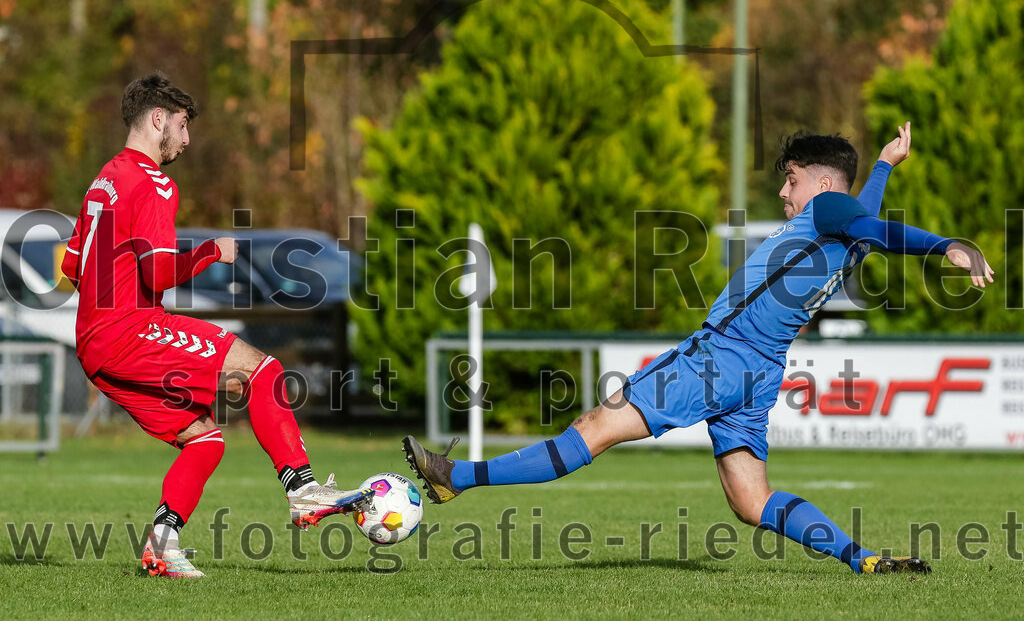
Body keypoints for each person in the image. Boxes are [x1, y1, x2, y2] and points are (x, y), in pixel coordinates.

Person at [404, 122, 994, 575]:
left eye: (790, 179)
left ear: (819, 182)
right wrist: (886, 166)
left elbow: (868, 222)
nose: (785, 193)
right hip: (759, 370)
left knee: (595, 425)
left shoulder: (824, 210)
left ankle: (458, 475)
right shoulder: (843, 230)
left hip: (722, 357)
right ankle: (863, 559)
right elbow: (868, 221)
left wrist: (946, 247)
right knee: (751, 499)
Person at [60, 72, 372, 578]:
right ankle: (303, 491)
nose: (186, 141)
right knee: (262, 368)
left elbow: (72, 267)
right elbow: (158, 271)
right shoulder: (154, 182)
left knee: (204, 439)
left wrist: (109, 307)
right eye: (182, 126)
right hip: (130, 332)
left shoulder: (103, 181)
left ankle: (162, 545)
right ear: (157, 118)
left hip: (94, 346)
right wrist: (210, 252)